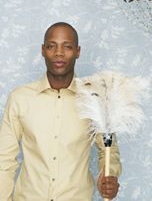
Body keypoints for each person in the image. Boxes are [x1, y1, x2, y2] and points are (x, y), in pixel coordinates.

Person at [0, 22, 121, 201]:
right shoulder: (20, 98)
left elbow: (109, 150)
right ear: (43, 50)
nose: (59, 53)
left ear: (77, 52)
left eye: (67, 47)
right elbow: (4, 160)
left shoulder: (95, 99)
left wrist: (109, 175)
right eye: (51, 46)